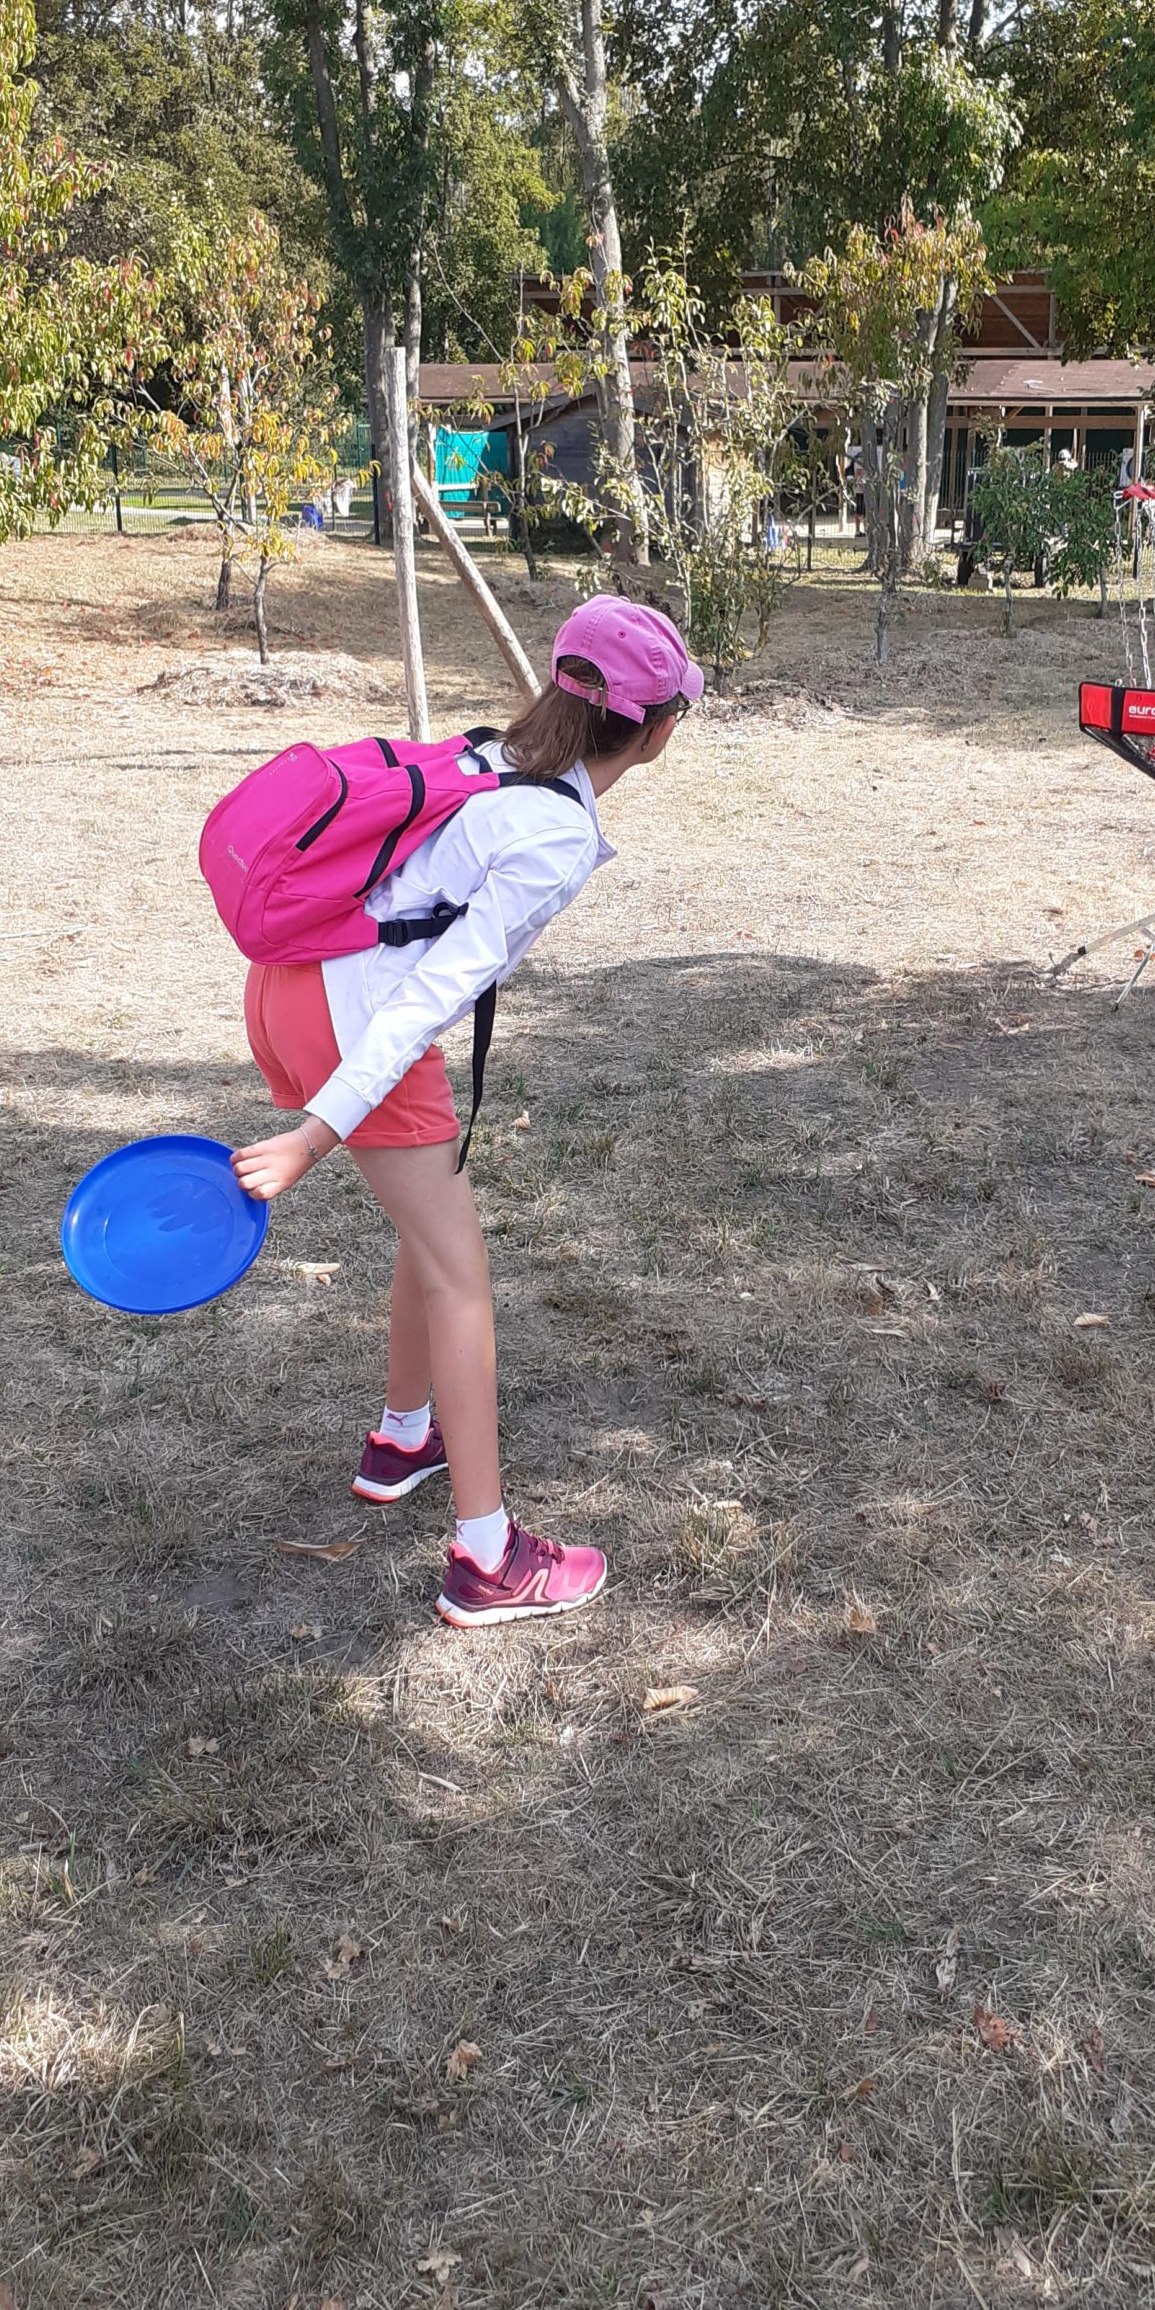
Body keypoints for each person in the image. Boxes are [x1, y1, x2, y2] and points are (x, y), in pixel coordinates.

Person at [230, 596, 702, 1628]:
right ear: (658, 727)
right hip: (355, 1020)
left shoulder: (494, 755)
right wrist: (319, 1129)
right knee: (460, 1274)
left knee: (429, 1228)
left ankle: (404, 1436)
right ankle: (488, 1556)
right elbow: (432, 992)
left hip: (287, 980)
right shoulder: (554, 836)